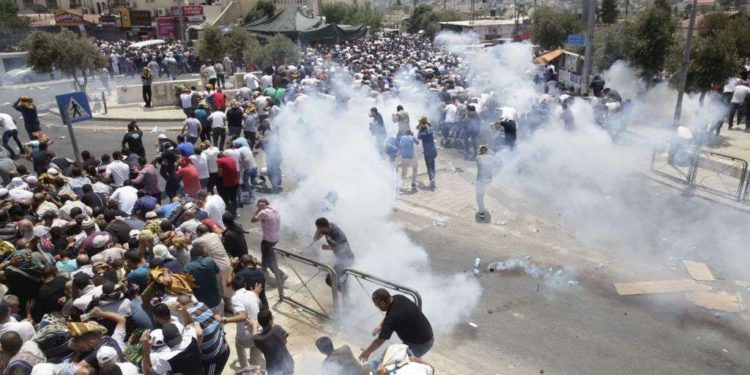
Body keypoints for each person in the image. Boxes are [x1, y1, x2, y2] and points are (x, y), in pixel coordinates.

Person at [359, 289, 434, 362]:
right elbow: (389, 313)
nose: (376, 306)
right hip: (423, 335)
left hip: (420, 343)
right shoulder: (397, 298)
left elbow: (380, 340)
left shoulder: (393, 317)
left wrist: (367, 351)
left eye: (377, 304)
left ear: (382, 303)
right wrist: (381, 325)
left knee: (400, 364)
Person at [222, 275, 262, 369]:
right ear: (245, 284)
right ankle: (254, 369)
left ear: (232, 287)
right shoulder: (252, 294)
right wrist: (256, 294)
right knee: (255, 359)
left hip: (245, 339)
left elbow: (243, 316)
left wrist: (225, 319)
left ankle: (245, 368)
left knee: (238, 345)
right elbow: (258, 305)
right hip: (258, 333)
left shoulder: (235, 298)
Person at [251, 198, 287, 284]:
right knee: (267, 257)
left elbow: (252, 220)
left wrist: (258, 210)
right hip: (275, 238)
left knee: (267, 258)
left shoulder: (263, 212)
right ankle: (264, 269)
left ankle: (281, 274)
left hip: (268, 240)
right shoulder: (274, 208)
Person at [312, 217, 354, 288]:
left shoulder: (336, 232)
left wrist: (328, 248)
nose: (318, 230)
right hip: (341, 260)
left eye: (319, 228)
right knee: (332, 281)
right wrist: (318, 230)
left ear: (324, 226)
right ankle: (345, 294)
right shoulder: (325, 230)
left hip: (347, 259)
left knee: (330, 280)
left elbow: (345, 247)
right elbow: (316, 239)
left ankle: (346, 295)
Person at [252, 310, 294, 375]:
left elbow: (254, 336)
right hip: (288, 364)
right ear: (271, 321)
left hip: (274, 370)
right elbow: (285, 340)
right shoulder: (277, 328)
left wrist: (254, 326)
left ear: (259, 324)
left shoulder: (259, 339)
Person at [183, 246, 223, 315]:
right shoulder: (209, 261)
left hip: (202, 305)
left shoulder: (187, 268)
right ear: (202, 254)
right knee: (220, 320)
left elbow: (187, 286)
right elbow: (217, 271)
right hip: (216, 300)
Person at [216, 152, 239, 216]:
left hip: (228, 182)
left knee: (225, 197)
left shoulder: (219, 160)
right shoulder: (232, 159)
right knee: (233, 198)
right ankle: (235, 212)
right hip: (236, 181)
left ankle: (231, 212)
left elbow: (220, 174)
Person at [417, 117, 437, 190]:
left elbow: (418, 136)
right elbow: (431, 126)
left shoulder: (422, 134)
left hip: (427, 152)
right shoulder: (431, 130)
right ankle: (433, 179)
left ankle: (432, 179)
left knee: (429, 167)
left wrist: (420, 128)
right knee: (433, 166)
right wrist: (427, 123)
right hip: (433, 150)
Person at [475, 145, 492, 220]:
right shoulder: (490, 157)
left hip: (481, 180)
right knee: (482, 195)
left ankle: (481, 213)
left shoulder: (478, 157)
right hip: (488, 179)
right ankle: (482, 209)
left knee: (479, 196)